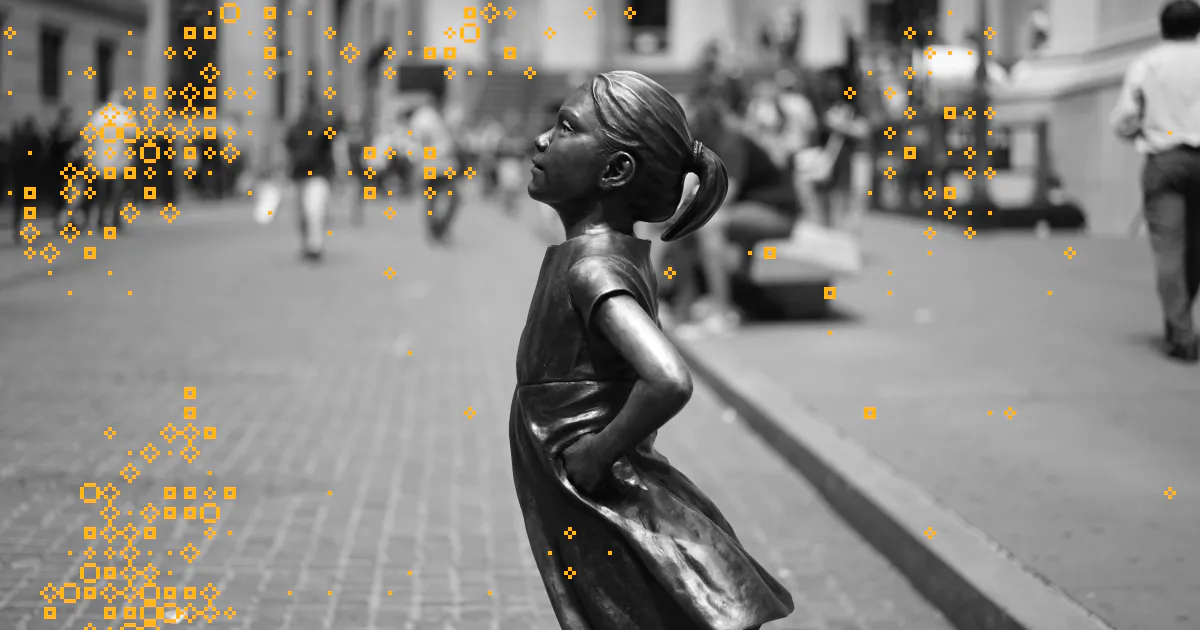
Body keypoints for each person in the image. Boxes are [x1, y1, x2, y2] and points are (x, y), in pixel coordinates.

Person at [510, 70, 795, 630]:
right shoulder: (599, 256)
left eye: (566, 128)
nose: (541, 140)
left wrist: (596, 454)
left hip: (598, 493)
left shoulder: (592, 268)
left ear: (615, 170)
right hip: (580, 492)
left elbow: (667, 378)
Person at [1110, 0, 1200, 363]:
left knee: (1169, 248)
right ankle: (1179, 319)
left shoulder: (1147, 63)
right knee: (1196, 248)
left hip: (1165, 160)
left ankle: (1179, 330)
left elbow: (1125, 118)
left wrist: (1139, 133)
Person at [674, 96, 804, 335]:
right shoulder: (711, 144)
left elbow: (725, 194)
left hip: (777, 213)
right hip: (753, 210)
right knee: (685, 226)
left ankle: (722, 312)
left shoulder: (731, 141)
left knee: (709, 225)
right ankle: (690, 300)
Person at [285, 87, 335, 261]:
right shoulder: (295, 127)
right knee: (303, 214)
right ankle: (308, 245)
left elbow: (330, 150)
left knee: (314, 210)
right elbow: (289, 148)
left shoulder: (321, 126)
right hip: (300, 175)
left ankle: (315, 246)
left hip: (317, 174)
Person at [407, 93, 462, 244]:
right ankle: (435, 231)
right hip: (433, 166)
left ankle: (437, 230)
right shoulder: (424, 119)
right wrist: (440, 151)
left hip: (443, 166)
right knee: (437, 199)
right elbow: (417, 146)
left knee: (447, 199)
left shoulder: (440, 117)